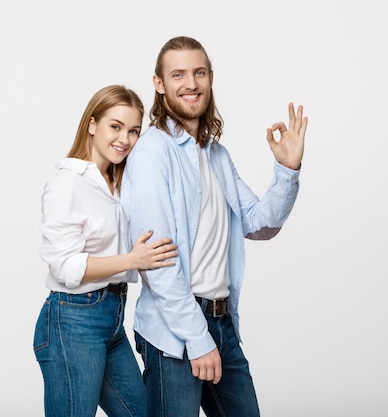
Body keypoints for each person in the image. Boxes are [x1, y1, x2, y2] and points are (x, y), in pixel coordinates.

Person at [119, 36, 308, 417]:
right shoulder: (153, 153)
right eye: (178, 74)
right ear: (159, 84)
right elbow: (159, 262)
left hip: (222, 323)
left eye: (199, 73)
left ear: (210, 78)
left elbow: (259, 224)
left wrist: (287, 171)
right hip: (174, 333)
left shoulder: (216, 154)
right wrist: (197, 338)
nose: (191, 83)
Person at [33, 84, 178, 417]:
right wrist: (132, 260)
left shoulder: (119, 183)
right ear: (93, 125)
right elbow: (65, 267)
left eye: (133, 131)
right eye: (115, 126)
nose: (124, 139)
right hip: (72, 319)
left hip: (112, 318)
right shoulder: (68, 183)